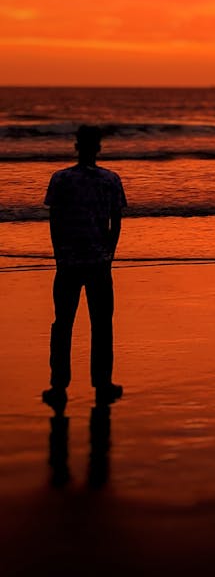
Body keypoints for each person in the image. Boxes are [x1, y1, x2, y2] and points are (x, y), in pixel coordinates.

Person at [42, 124, 127, 410]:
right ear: (99, 147)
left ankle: (58, 384)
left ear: (76, 146)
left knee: (63, 322)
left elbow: (54, 222)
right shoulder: (111, 180)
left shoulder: (61, 179)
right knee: (102, 324)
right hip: (98, 261)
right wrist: (110, 254)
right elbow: (116, 223)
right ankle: (102, 383)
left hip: (67, 260)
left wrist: (58, 254)